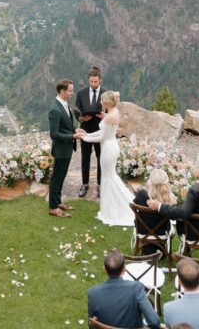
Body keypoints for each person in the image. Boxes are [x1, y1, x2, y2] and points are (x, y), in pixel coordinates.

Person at [75, 90, 135, 226]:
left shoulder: (108, 117)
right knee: (109, 177)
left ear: (107, 102)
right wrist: (87, 134)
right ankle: (111, 208)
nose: (100, 103)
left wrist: (85, 137)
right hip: (111, 145)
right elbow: (103, 133)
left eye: (102, 101)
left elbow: (102, 136)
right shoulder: (114, 112)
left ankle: (113, 210)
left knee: (109, 178)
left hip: (108, 148)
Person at [86, 249, 161, 329]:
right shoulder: (136, 288)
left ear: (104, 269)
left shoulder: (93, 293)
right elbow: (154, 321)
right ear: (124, 269)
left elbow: (92, 328)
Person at [148, 160, 199, 240]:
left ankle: (185, 249)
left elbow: (183, 213)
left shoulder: (196, 190)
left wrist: (159, 206)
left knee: (182, 220)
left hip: (192, 234)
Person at [74, 66, 106, 198]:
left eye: (95, 82)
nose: (93, 84)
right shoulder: (81, 93)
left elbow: (110, 111)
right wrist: (81, 118)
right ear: (88, 80)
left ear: (100, 80)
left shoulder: (105, 93)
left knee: (100, 158)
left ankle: (100, 185)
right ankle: (85, 184)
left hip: (100, 131)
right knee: (85, 158)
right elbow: (76, 110)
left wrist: (105, 116)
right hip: (85, 130)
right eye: (91, 82)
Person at [48, 79, 78, 218]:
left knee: (61, 177)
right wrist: (73, 136)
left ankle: (58, 202)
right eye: (70, 90)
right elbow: (54, 134)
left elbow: (67, 126)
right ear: (62, 91)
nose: (72, 93)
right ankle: (53, 207)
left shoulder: (64, 104)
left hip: (67, 148)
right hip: (60, 149)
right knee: (56, 178)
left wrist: (76, 131)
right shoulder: (55, 109)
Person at [132, 169, 176, 253]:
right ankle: (161, 249)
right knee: (172, 229)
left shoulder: (141, 194)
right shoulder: (171, 198)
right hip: (162, 233)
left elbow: (135, 203)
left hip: (142, 231)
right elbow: (174, 217)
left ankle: (150, 249)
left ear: (151, 182)